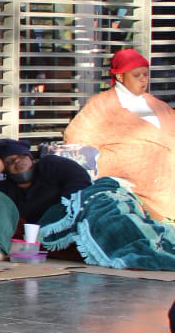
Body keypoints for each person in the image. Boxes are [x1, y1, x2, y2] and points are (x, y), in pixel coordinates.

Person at [64, 49, 175, 220]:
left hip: (165, 184)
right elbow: (77, 141)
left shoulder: (155, 103)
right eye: (137, 75)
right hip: (129, 188)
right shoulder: (101, 105)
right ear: (121, 77)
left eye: (146, 74)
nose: (143, 80)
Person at [0, 139, 91, 228]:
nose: (17, 161)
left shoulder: (50, 165)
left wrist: (60, 212)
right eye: (9, 161)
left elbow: (81, 181)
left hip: (68, 225)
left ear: (30, 158)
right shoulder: (3, 189)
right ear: (4, 169)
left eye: (21, 156)